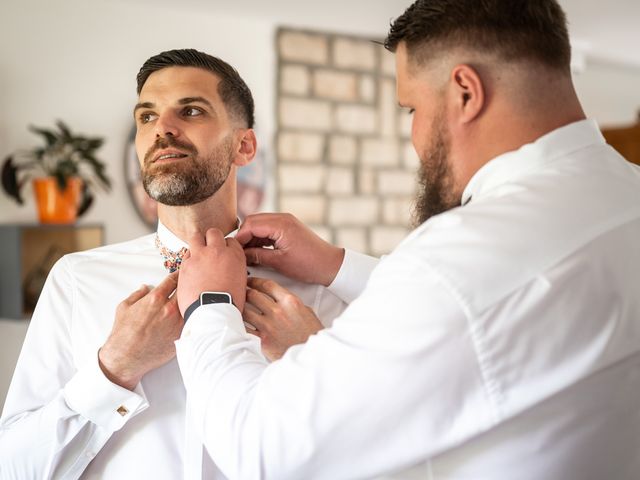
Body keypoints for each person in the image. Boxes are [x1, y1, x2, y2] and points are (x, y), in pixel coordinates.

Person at [173, 1, 640, 479]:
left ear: (465, 92)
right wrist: (336, 266)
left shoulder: (460, 259)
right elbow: (498, 303)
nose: (414, 137)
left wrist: (208, 306)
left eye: (413, 108)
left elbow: (262, 450)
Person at [0, 49, 349, 479]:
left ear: (244, 145)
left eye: (191, 110)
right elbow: (13, 468)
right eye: (146, 117)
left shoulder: (313, 291)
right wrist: (114, 368)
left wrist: (311, 364)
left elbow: (372, 452)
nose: (162, 128)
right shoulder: (77, 280)